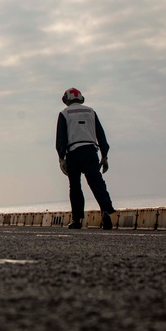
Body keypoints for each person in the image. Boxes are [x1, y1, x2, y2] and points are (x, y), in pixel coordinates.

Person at [55, 87, 116, 230]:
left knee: (75, 186)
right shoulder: (90, 112)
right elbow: (101, 135)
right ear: (80, 98)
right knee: (97, 184)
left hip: (73, 153)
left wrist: (61, 158)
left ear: (67, 99)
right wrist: (104, 155)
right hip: (90, 152)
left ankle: (77, 219)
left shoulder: (64, 114)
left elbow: (61, 138)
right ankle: (106, 211)